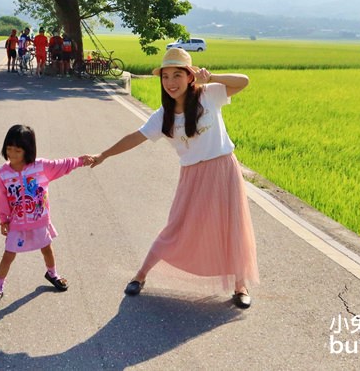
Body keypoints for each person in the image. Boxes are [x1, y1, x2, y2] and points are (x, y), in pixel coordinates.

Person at [84, 47, 258, 308]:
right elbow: (135, 137)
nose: (170, 83)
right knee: (176, 227)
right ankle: (140, 275)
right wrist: (104, 154)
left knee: (231, 226)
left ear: (190, 76)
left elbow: (244, 81)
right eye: (165, 77)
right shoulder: (163, 116)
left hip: (223, 170)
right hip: (193, 175)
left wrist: (210, 77)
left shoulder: (209, 95)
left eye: (178, 75)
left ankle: (240, 285)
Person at [0, 125, 91, 305]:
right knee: (8, 255)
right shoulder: (3, 173)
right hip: (17, 223)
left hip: (39, 221)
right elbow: (2, 198)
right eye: (9, 149)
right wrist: (3, 219)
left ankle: (52, 274)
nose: (12, 154)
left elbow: (63, 164)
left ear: (28, 150)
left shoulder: (41, 167)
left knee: (47, 249)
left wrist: (80, 160)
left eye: (17, 150)